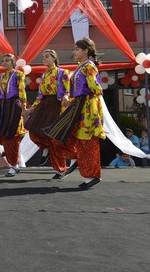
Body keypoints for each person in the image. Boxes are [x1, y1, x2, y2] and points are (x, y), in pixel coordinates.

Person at [46, 38, 105, 189]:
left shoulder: (89, 66)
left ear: (85, 51)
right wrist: (70, 100)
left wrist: (88, 106)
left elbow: (96, 89)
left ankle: (92, 176)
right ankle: (75, 159)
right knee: (59, 133)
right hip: (77, 105)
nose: (74, 52)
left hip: (87, 106)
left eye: (77, 49)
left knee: (87, 142)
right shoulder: (80, 67)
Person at [23, 49, 77, 179]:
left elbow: (68, 89)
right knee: (32, 129)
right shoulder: (44, 75)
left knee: (55, 138)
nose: (44, 59)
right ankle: (45, 148)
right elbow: (40, 95)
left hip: (57, 105)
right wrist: (31, 109)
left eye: (47, 57)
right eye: (43, 57)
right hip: (44, 105)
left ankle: (62, 169)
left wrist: (66, 96)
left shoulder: (63, 72)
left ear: (54, 58)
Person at [0, 53, 27, 177]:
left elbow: (22, 91)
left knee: (11, 135)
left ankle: (13, 166)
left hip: (14, 104)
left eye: (7, 60)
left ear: (13, 63)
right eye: (3, 61)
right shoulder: (1, 76)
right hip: (2, 104)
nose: (4, 63)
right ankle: (6, 146)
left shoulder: (18, 74)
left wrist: (23, 107)